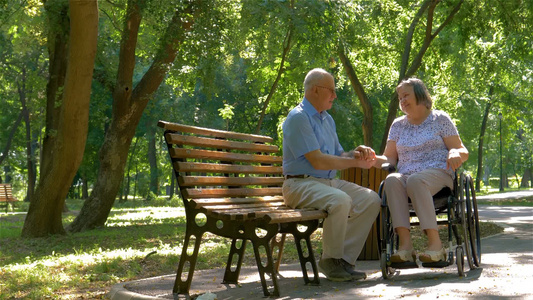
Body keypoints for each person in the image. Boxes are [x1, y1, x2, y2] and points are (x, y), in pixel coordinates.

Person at [282, 68, 381, 282]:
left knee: (371, 199)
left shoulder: (327, 119)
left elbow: (338, 154)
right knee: (340, 200)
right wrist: (355, 162)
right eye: (332, 90)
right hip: (299, 185)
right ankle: (330, 260)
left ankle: (343, 261)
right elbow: (317, 160)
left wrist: (356, 152)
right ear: (316, 90)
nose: (335, 96)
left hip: (327, 183)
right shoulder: (298, 118)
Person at [373, 77, 469, 264]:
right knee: (392, 179)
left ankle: (435, 245)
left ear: (420, 95)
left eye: (406, 95)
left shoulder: (439, 119)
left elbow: (462, 150)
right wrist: (371, 159)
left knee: (416, 180)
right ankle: (406, 246)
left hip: (439, 174)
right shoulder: (398, 125)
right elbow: (389, 159)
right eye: (400, 98)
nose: (402, 101)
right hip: (408, 177)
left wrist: (455, 152)